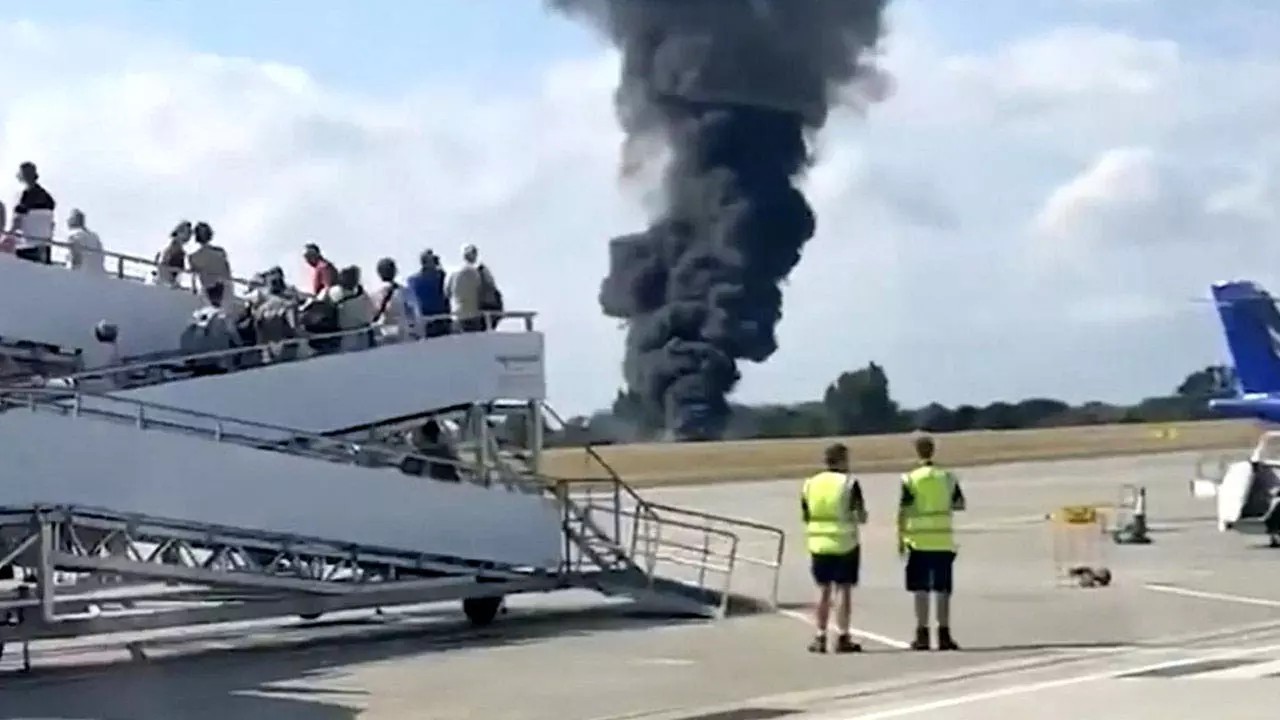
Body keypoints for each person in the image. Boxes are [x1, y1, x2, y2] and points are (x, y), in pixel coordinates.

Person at [897, 434, 965, 651]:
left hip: (918, 540)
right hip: (943, 539)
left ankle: (922, 632)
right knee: (943, 590)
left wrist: (900, 537)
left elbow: (903, 510)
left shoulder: (910, 479)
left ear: (917, 452)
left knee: (921, 590)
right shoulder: (947, 478)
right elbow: (959, 504)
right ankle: (944, 633)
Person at [801, 442, 867, 654]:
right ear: (841, 460)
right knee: (843, 591)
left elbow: (806, 515)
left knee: (823, 591)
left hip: (819, 543)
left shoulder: (810, 484)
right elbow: (860, 515)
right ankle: (843, 636)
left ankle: (820, 636)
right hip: (845, 543)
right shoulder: (849, 483)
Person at [11, 161, 55, 264]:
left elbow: (17, 221)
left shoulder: (25, 196)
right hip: (45, 246)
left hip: (28, 245)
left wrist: (8, 235)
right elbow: (51, 223)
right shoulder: (47, 197)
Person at [371, 257, 419, 342]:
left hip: (385, 334)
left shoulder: (374, 294)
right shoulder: (405, 291)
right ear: (395, 271)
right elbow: (414, 313)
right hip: (404, 334)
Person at [406, 249, 451, 338]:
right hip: (441, 318)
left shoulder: (412, 280)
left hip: (424, 320)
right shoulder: (440, 276)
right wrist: (439, 265)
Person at [65, 209, 105, 275]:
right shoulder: (94, 236)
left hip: (82, 274)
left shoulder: (74, 235)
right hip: (99, 275)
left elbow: (75, 257)